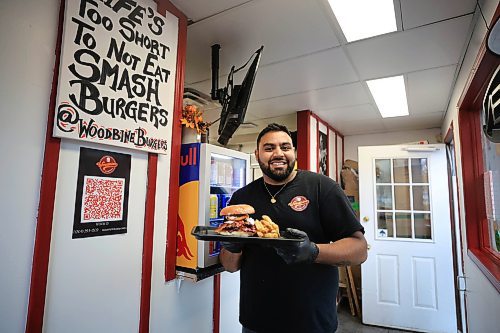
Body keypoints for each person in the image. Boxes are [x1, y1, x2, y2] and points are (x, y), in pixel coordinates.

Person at [219, 123, 367, 333]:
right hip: (256, 322)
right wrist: (232, 247)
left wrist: (313, 251)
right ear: (257, 154)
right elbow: (230, 266)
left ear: (294, 152)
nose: (278, 153)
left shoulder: (322, 188)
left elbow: (359, 250)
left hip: (312, 322)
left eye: (285, 147)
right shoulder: (242, 198)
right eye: (269, 148)